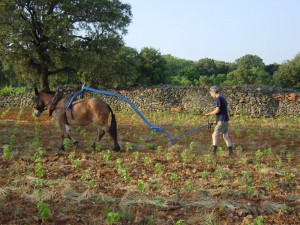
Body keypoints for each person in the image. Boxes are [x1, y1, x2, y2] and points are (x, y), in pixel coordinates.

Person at [205, 86, 233, 156]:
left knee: (214, 135)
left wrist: (209, 113)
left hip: (222, 120)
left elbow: (218, 110)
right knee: (225, 136)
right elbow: (222, 111)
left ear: (214, 92)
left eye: (211, 93)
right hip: (225, 120)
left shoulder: (219, 99)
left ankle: (214, 152)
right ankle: (231, 152)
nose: (211, 95)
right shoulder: (223, 98)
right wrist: (217, 121)